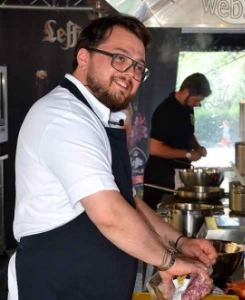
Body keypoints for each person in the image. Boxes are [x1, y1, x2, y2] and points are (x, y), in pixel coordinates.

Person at [7, 15, 217, 300]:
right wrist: (169, 261)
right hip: (56, 285)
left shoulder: (97, 117)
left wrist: (179, 242)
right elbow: (110, 215)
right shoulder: (63, 116)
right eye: (120, 58)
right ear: (84, 57)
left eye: (139, 67)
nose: (131, 74)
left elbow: (128, 202)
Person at [143, 73, 212, 210]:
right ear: (187, 92)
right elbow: (155, 148)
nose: (199, 104)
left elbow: (189, 132)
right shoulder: (166, 111)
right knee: (162, 216)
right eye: (197, 100)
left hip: (179, 173)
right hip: (162, 177)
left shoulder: (188, 108)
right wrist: (187, 154)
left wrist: (197, 148)